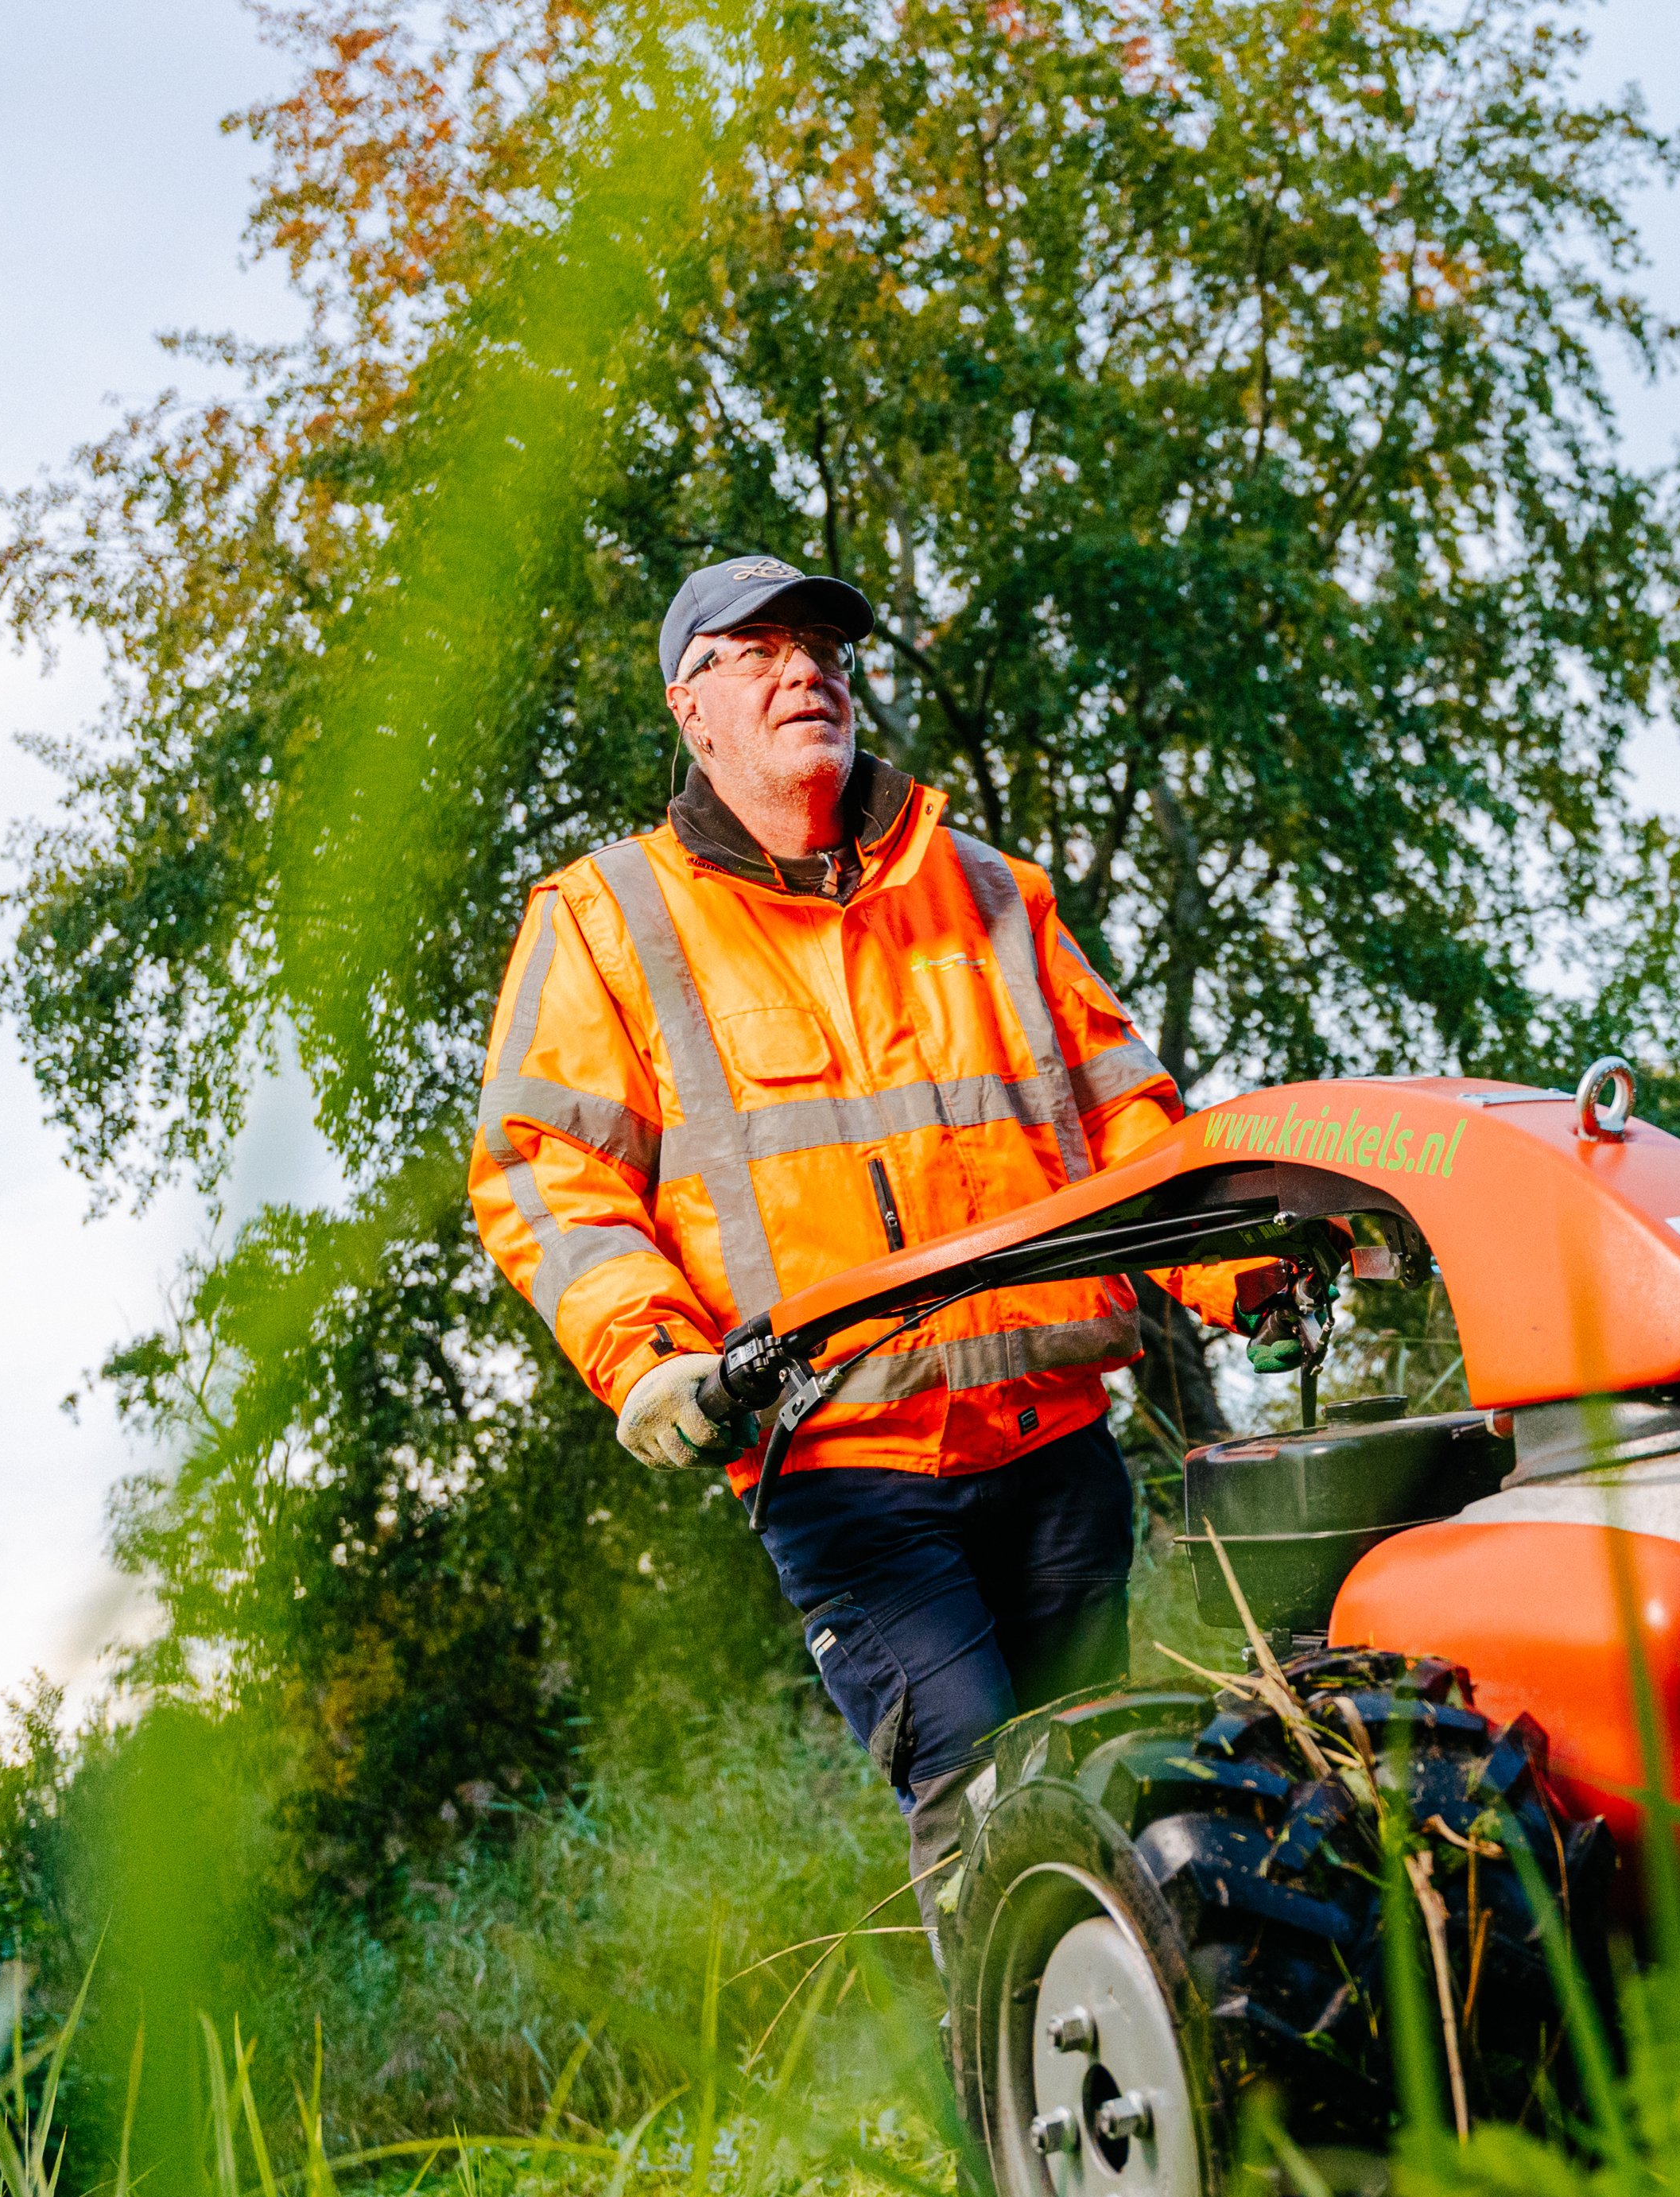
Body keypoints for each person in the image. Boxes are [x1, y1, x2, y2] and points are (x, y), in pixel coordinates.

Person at [467, 554, 1274, 1923]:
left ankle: (1172, 2103)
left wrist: (1235, 1255)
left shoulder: (991, 891)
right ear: (691, 708)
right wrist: (651, 1357)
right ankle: (1012, 2132)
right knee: (983, 1809)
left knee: (1105, 1791)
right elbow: (549, 1172)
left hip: (1056, 1447)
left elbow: (1123, 1121)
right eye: (762, 649)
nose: (810, 670)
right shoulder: (609, 922)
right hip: (848, 1472)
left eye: (828, 647)